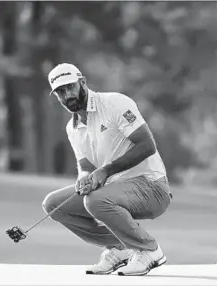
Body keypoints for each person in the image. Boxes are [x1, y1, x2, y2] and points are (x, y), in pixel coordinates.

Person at [42, 63, 172, 276]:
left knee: (95, 200)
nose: (67, 95)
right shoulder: (72, 128)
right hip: (114, 190)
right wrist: (84, 177)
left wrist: (105, 171)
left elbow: (147, 145)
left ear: (82, 82)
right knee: (54, 204)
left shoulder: (115, 103)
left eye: (70, 87)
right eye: (60, 92)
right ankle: (121, 248)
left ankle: (149, 250)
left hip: (152, 187)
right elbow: (86, 166)